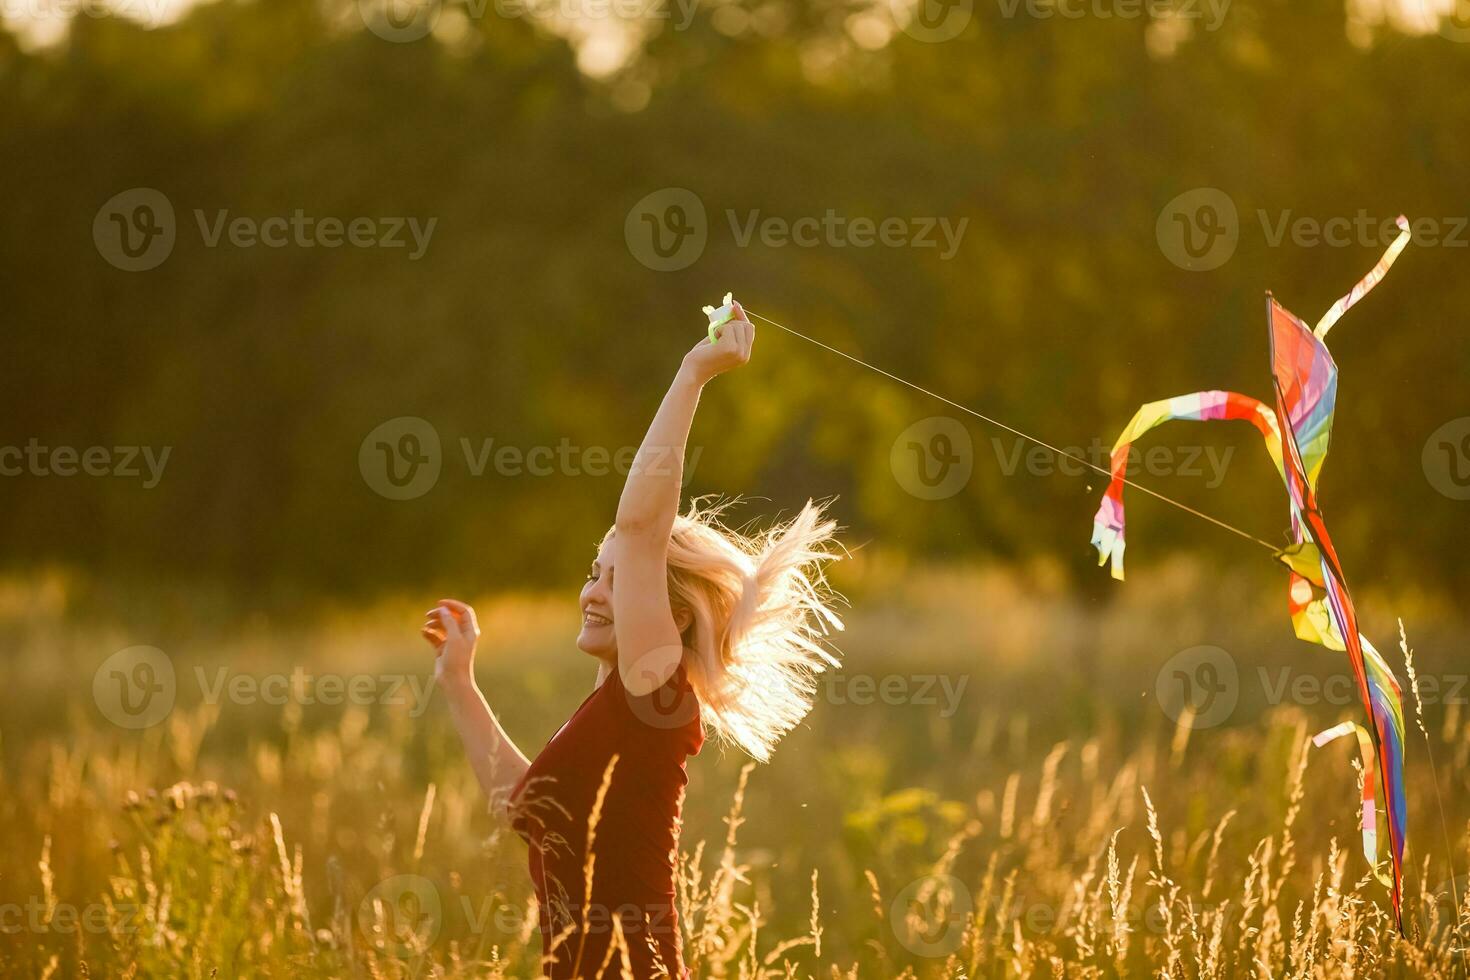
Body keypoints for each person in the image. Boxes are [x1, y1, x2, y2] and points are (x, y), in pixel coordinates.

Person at [422, 300, 844, 978]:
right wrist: (459, 682)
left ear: (668, 616)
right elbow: (527, 810)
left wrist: (692, 374)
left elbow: (644, 528)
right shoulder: (617, 705)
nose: (593, 591)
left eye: (616, 581)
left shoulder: (657, 690)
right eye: (593, 574)